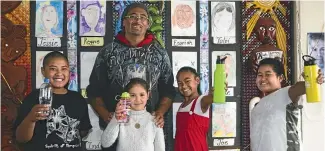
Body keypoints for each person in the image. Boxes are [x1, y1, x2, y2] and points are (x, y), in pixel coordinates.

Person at [86, 3, 175, 151]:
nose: (137, 20)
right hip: (118, 128)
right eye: (132, 16)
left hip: (148, 129)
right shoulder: (107, 52)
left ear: (148, 24)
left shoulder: (160, 54)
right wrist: (105, 115)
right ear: (124, 22)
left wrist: (160, 113)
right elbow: (94, 90)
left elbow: (168, 90)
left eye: (142, 17)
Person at [13, 51, 92, 151]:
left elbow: (82, 130)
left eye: (64, 69)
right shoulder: (33, 98)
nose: (59, 73)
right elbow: (20, 138)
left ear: (69, 71)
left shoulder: (78, 99)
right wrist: (31, 119)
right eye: (53, 69)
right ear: (43, 71)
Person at [250, 58, 324, 151]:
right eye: (260, 75)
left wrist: (313, 80)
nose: (263, 78)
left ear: (280, 78)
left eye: (268, 74)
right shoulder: (257, 106)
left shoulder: (286, 94)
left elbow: (299, 87)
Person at [101, 78, 165, 151]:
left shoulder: (155, 119)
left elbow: (160, 148)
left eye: (142, 95)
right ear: (126, 96)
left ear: (148, 95)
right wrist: (116, 119)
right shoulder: (120, 117)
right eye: (133, 95)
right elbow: (105, 143)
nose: (137, 99)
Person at [174, 67, 226, 151]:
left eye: (187, 81)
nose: (183, 86)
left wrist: (217, 91)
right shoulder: (181, 106)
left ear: (197, 80)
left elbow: (211, 98)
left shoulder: (201, 101)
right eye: (180, 83)